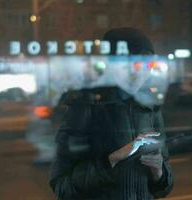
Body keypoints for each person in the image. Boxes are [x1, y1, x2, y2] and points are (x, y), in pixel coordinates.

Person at [49, 27, 173, 200]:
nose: (144, 71)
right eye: (136, 64)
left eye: (150, 64)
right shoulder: (86, 105)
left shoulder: (149, 107)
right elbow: (62, 186)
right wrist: (112, 160)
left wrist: (159, 172)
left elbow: (163, 187)